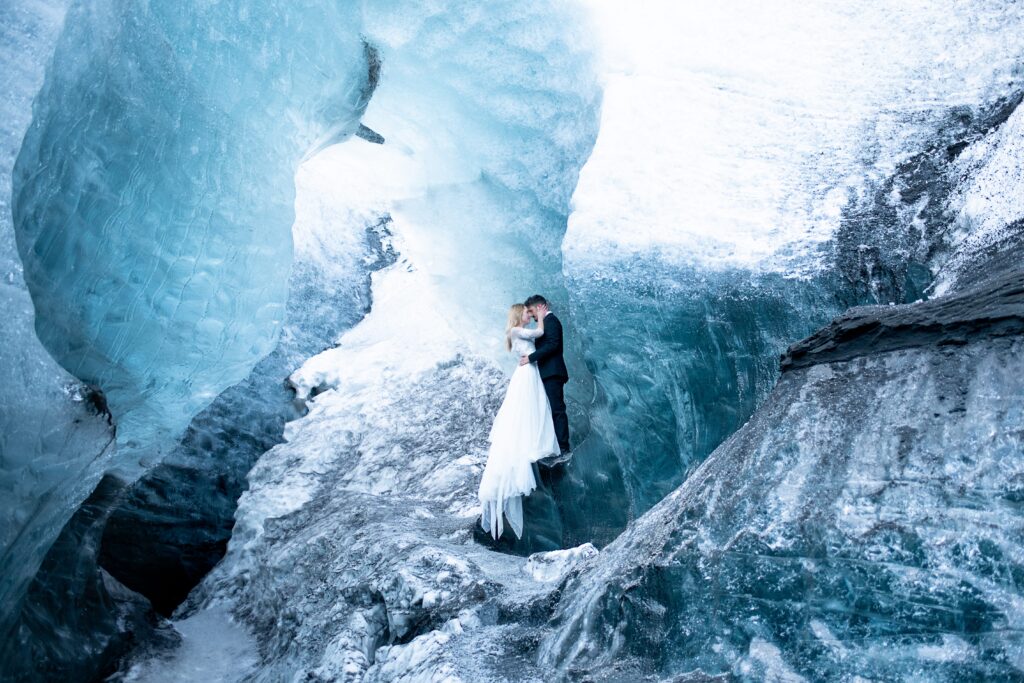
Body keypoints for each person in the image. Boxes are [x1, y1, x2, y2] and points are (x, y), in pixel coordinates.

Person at [478, 303, 560, 539]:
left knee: (533, 408)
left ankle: (534, 439)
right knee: (527, 409)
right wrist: (542, 317)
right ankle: (530, 443)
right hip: (526, 374)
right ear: (517, 315)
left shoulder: (516, 332)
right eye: (526, 313)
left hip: (529, 371)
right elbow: (538, 334)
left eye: (530, 312)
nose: (529, 315)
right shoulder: (514, 330)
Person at [519, 294, 570, 455]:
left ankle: (564, 448)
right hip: (547, 373)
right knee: (550, 411)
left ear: (541, 307)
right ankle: (555, 447)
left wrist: (531, 358)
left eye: (532, 311)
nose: (532, 315)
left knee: (557, 410)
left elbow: (553, 345)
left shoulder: (552, 321)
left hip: (553, 372)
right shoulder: (544, 323)